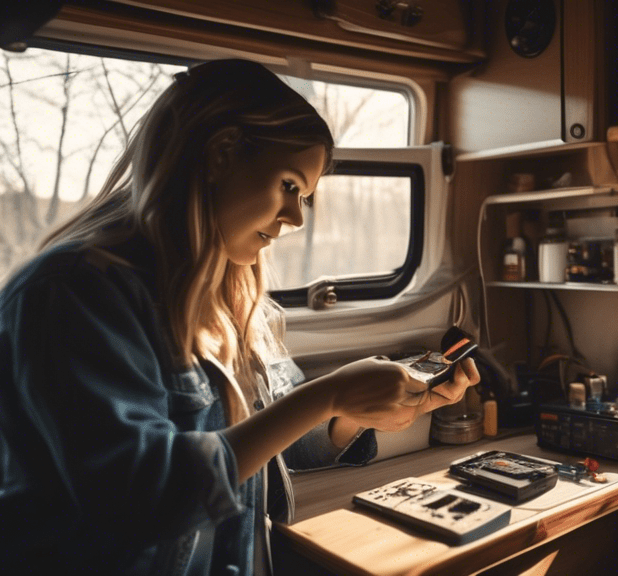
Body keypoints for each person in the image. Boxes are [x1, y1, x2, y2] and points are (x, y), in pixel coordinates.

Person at [0, 58, 479, 575]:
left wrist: (349, 413)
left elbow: (275, 448)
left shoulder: (235, 301)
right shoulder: (74, 294)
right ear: (222, 152)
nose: (296, 218)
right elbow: (140, 500)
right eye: (291, 187)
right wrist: (328, 393)